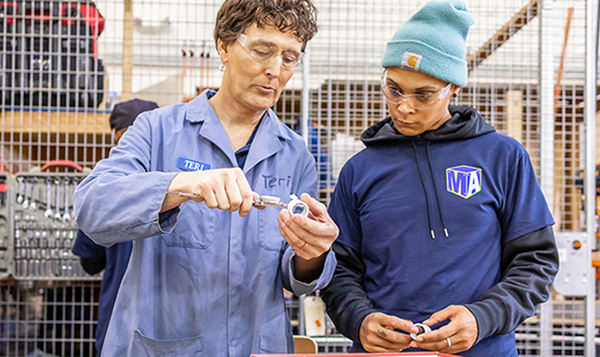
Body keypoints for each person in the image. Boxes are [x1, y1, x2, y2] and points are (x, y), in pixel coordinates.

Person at [72, 1, 339, 356]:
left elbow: (296, 278)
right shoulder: (157, 131)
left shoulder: (296, 155)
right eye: (262, 50)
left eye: (290, 57)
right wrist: (181, 186)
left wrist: (314, 254)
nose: (275, 70)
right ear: (224, 46)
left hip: (257, 346)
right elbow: (92, 207)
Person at [320, 1, 559, 356]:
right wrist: (358, 320)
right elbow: (337, 269)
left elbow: (536, 261)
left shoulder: (502, 157)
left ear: (453, 89)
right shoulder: (359, 170)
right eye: (394, 89)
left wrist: (482, 318)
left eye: (423, 95)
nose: (404, 106)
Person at [71, 98, 158, 356]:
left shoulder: (107, 191)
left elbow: (89, 262)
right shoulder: (180, 187)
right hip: (169, 327)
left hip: (117, 325)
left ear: (115, 137)